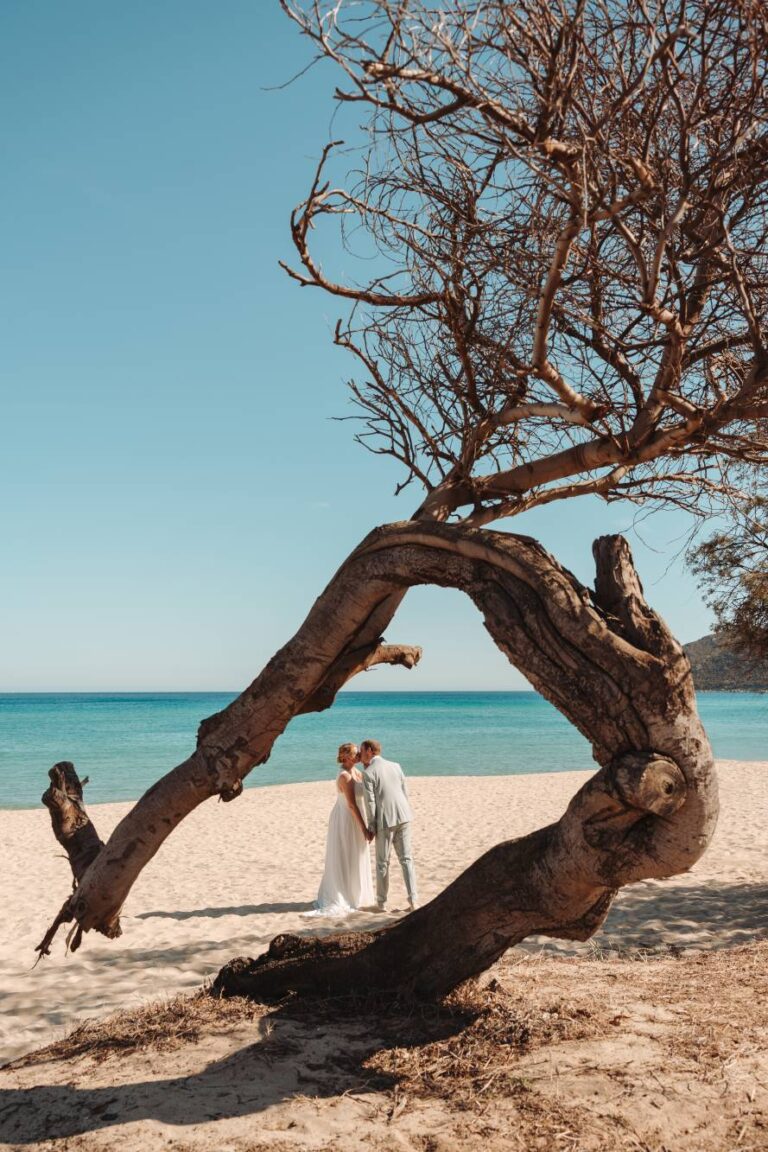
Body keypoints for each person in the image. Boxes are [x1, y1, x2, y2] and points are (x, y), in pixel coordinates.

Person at [309, 742, 375, 916]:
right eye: (355, 754)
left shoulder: (357, 772)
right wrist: (364, 828)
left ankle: (355, 892)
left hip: (355, 816)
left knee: (356, 854)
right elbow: (352, 805)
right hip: (347, 818)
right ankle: (344, 894)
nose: (358, 756)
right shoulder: (345, 776)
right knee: (346, 854)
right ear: (345, 757)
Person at [359, 738, 418, 912]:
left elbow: (370, 804)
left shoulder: (369, 773)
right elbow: (404, 791)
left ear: (369, 750)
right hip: (404, 816)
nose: (360, 755)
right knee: (406, 859)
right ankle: (414, 899)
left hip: (385, 820)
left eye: (362, 751)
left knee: (382, 863)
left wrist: (371, 827)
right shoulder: (396, 765)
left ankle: (382, 903)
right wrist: (404, 811)